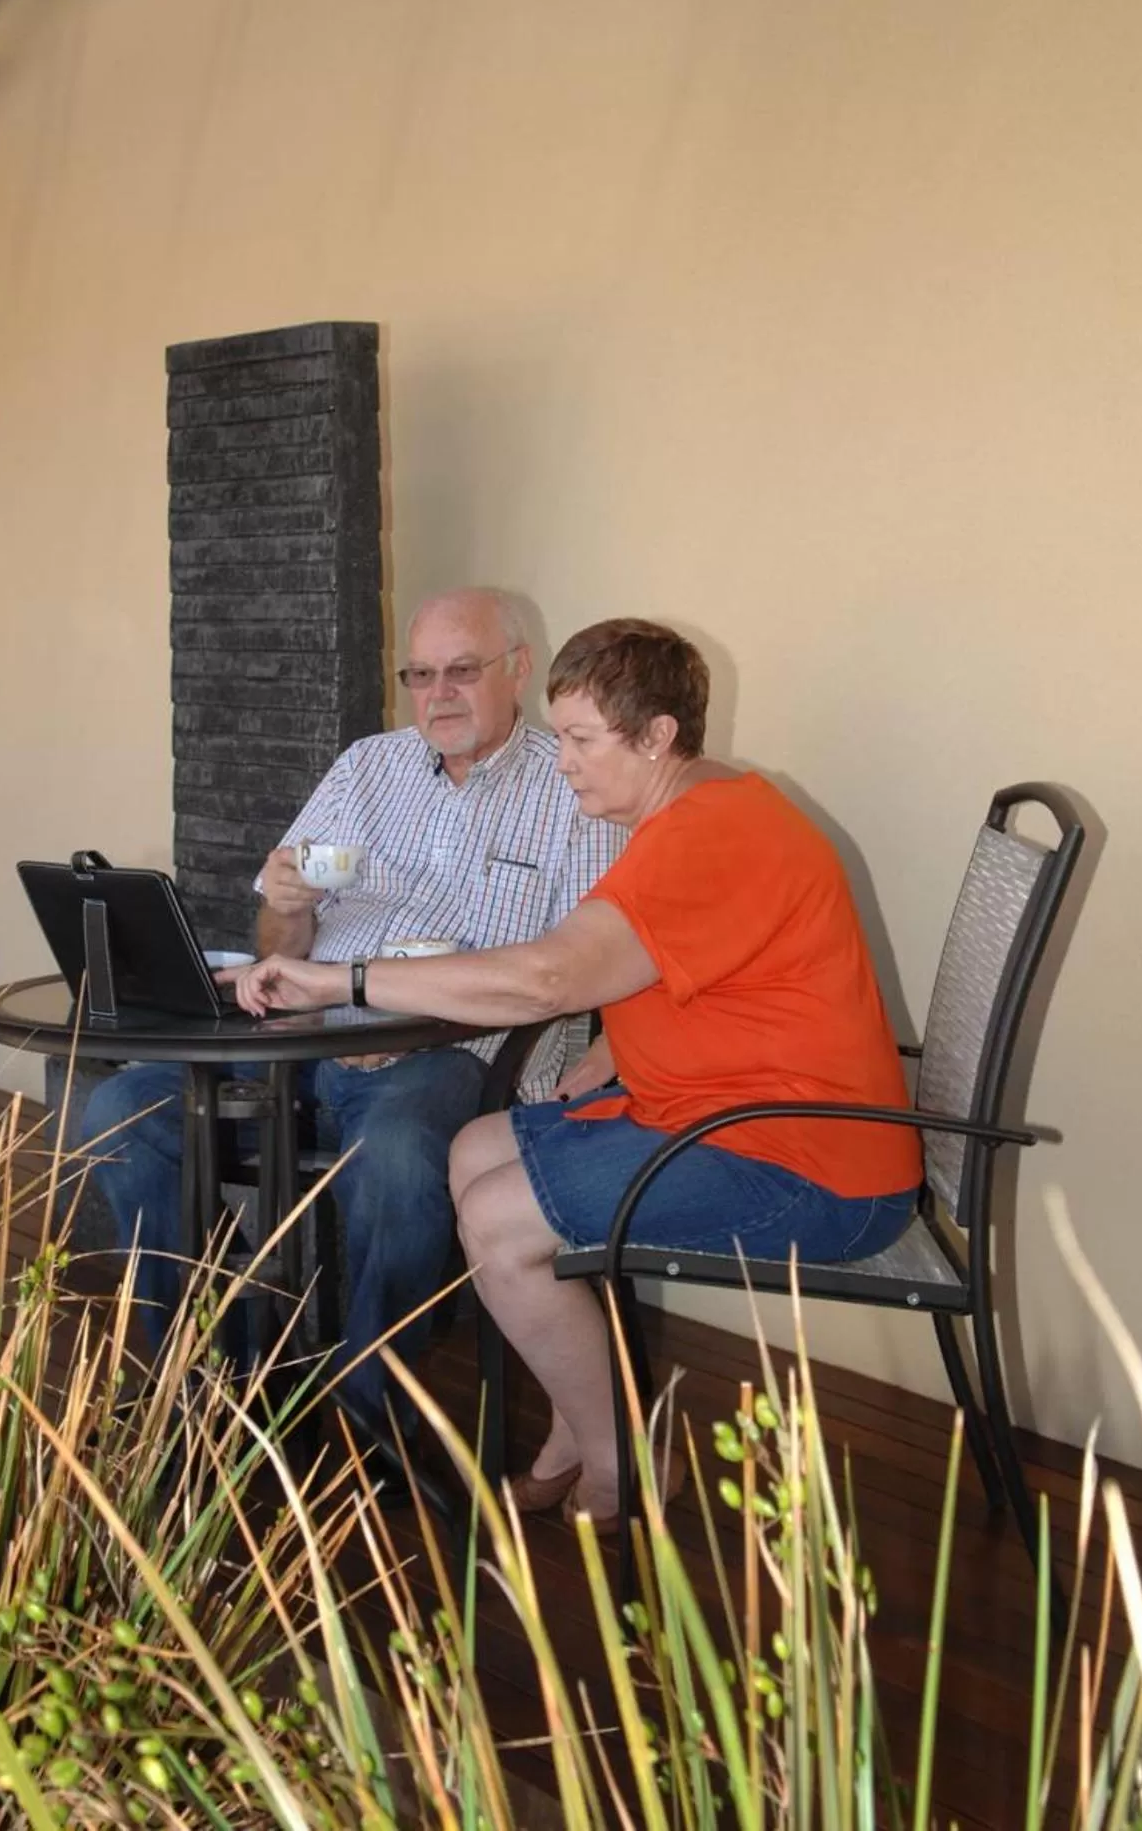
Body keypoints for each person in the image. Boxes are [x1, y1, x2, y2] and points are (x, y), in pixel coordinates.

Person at [235, 618, 922, 1525]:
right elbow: (704, 972)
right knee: (476, 1146)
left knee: (497, 1216)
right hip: (722, 1108)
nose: (560, 761)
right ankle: (574, 1421)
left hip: (806, 1162)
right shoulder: (703, 804)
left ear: (658, 736)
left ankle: (623, 1463)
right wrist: (614, 1047)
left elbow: (552, 974)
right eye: (560, 735)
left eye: (580, 739)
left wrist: (343, 978)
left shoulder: (708, 834)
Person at [82, 587, 624, 1422]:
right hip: (305, 1046)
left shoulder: (570, 786)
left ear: (518, 669)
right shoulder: (366, 767)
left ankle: (371, 1414)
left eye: (461, 670)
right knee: (123, 1110)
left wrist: (610, 1047)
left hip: (457, 1058)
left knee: (399, 1156)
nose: (437, 693)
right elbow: (280, 942)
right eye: (420, 673)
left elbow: (594, 963)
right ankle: (216, 1377)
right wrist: (290, 906)